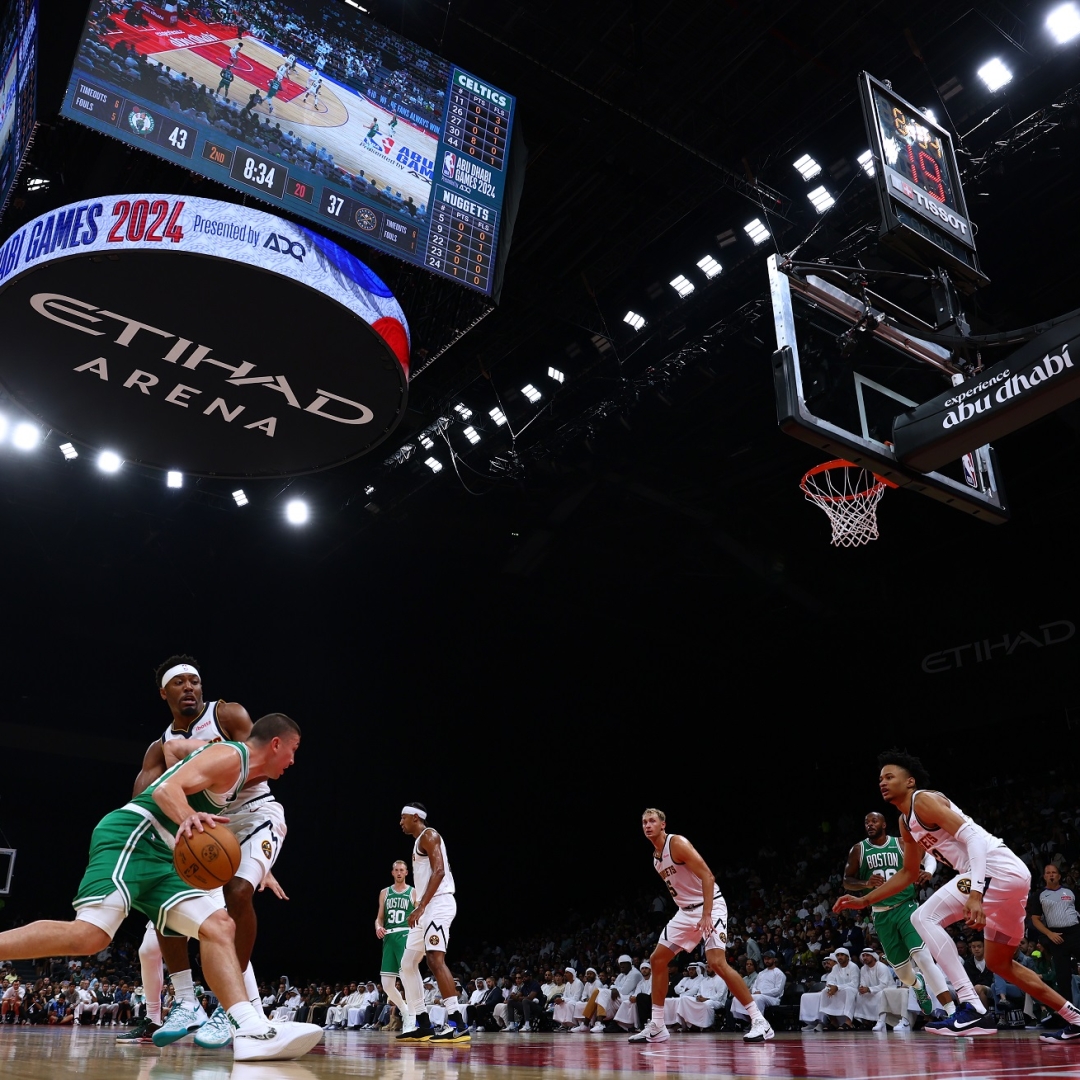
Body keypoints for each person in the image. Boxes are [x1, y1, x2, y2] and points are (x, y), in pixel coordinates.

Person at [0, 715, 321, 1061]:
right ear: (276, 743)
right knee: (89, 936)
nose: (292, 760)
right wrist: (187, 816)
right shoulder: (232, 755)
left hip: (165, 856)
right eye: (293, 749)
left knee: (218, 926)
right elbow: (168, 789)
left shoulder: (238, 770)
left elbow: (180, 754)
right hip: (136, 836)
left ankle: (249, 1029)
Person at [834, 749, 1080, 1041]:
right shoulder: (904, 822)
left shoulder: (923, 800)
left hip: (994, 870)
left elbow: (973, 836)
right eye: (880, 778)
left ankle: (972, 1006)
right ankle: (1074, 1018)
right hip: (1007, 883)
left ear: (910, 781)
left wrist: (975, 893)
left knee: (922, 917)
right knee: (1000, 964)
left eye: (890, 776)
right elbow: (908, 874)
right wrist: (864, 900)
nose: (882, 782)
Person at [124, 656, 289, 1051]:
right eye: (179, 682)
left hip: (250, 816)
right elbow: (142, 801)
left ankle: (229, 1010)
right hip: (203, 826)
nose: (189, 688)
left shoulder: (226, 714)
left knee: (238, 893)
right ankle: (185, 1001)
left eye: (194, 681)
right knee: (160, 895)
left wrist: (261, 863)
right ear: (164, 693)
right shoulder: (159, 747)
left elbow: (264, 762)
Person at [631, 808, 773, 1044]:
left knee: (716, 963)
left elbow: (708, 876)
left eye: (652, 821)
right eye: (644, 822)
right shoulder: (656, 858)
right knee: (657, 960)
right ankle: (657, 1025)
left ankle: (760, 1021)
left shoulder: (676, 844)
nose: (647, 825)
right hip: (685, 912)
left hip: (710, 905)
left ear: (663, 825)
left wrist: (706, 915)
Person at [842, 811, 953, 1021]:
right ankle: (918, 985)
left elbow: (928, 854)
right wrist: (865, 883)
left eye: (874, 821)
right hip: (881, 914)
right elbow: (847, 880)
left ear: (884, 824)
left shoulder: (901, 843)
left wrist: (928, 871)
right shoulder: (859, 849)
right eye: (866, 822)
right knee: (903, 974)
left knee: (923, 957)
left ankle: (951, 1011)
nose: (869, 824)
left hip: (906, 907)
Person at [396, 803, 470, 1042]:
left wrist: (421, 906)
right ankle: (423, 1023)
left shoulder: (430, 835)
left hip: (437, 904)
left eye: (403, 818)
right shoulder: (418, 842)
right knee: (407, 963)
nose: (400, 822)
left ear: (416, 817)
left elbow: (439, 871)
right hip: (426, 908)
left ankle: (457, 1024)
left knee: (435, 960)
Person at [1031, 864, 1080, 1004]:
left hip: (1075, 932)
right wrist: (1049, 934)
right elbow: (1035, 919)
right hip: (1056, 935)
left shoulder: (1070, 892)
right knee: (1062, 977)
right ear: (1044, 876)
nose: (1051, 875)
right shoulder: (1039, 895)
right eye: (1048, 873)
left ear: (1059, 876)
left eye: (1054, 872)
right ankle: (1070, 1018)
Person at [375, 859, 414, 1031]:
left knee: (407, 980)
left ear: (406, 873)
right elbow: (380, 917)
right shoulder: (384, 892)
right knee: (387, 984)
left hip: (405, 934)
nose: (399, 872)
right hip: (389, 937)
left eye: (402, 870)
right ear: (392, 872)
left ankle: (412, 1017)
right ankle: (404, 1010)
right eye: (396, 870)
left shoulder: (413, 892)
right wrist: (378, 926)